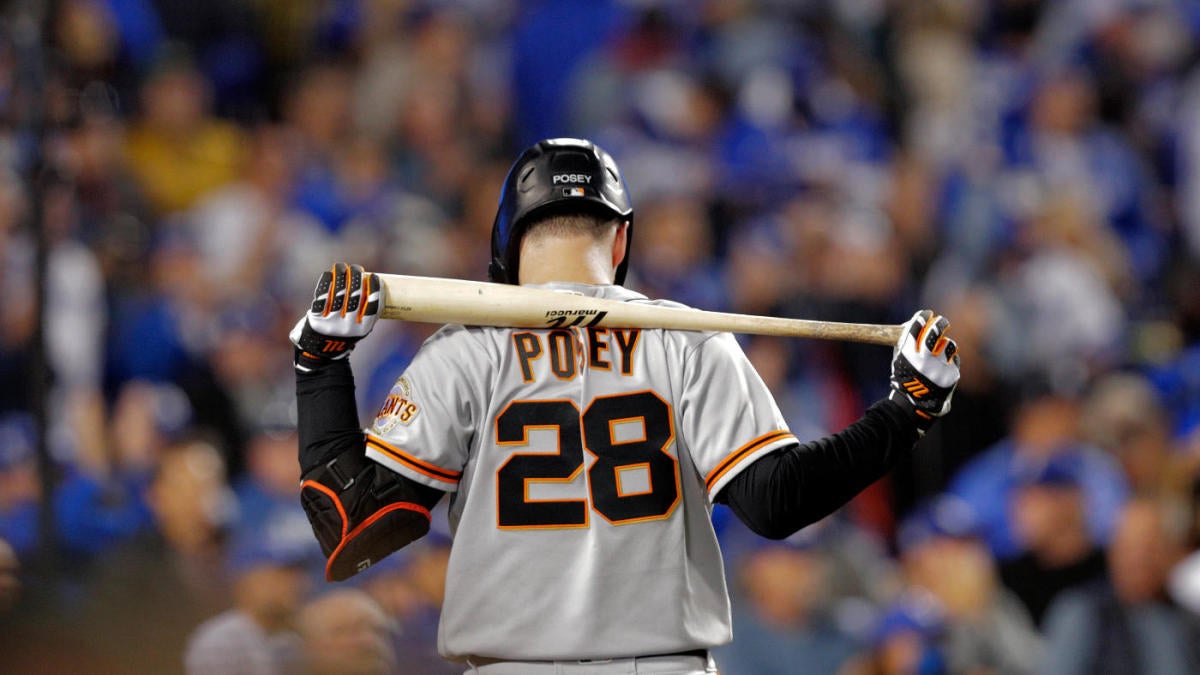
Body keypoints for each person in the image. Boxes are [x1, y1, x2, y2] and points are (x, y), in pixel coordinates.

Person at [290, 138, 961, 672]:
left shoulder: (462, 352)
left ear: (508, 238)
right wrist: (905, 413)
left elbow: (351, 526)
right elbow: (778, 499)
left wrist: (321, 364)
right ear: (619, 241)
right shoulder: (687, 337)